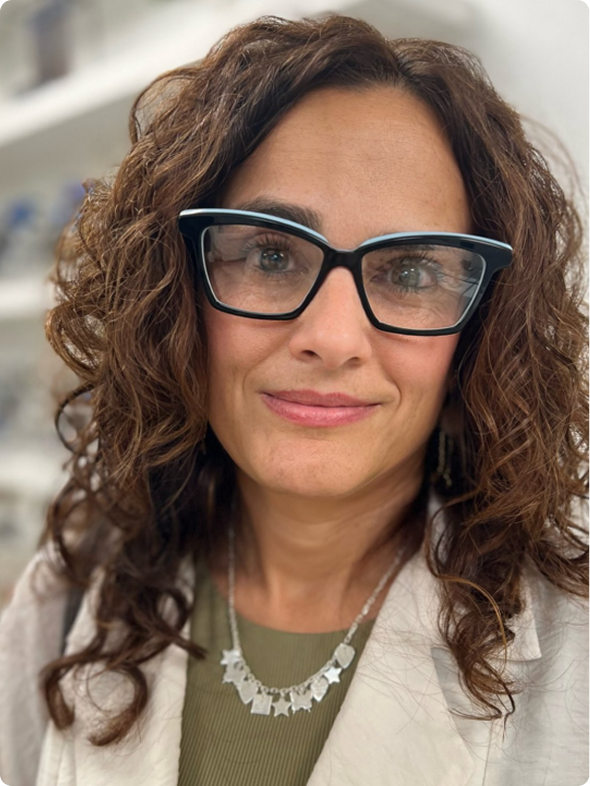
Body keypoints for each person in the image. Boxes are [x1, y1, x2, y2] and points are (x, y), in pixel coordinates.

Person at [1, 13, 589, 786]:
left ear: (482, 330)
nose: (333, 338)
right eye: (271, 255)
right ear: (175, 295)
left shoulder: (576, 641)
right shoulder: (69, 593)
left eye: (410, 272)